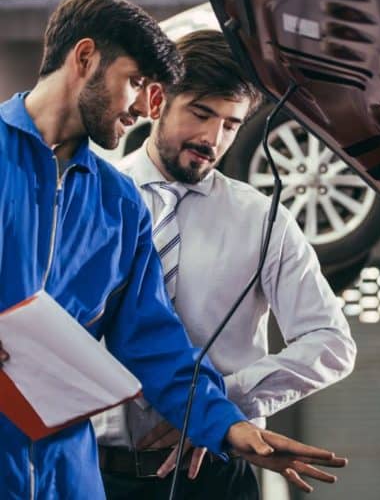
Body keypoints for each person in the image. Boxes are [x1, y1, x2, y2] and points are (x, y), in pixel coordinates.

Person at [0, 0, 346, 499]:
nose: (144, 105)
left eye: (230, 124)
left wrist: (226, 424)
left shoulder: (118, 203)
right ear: (85, 58)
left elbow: (152, 341)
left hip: (67, 476)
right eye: (136, 83)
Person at [96, 29, 357, 499]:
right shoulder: (92, 198)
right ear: (158, 100)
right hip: (96, 476)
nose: (212, 139)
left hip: (213, 478)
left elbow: (332, 344)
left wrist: (215, 407)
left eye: (231, 124)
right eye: (201, 114)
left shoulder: (263, 220)